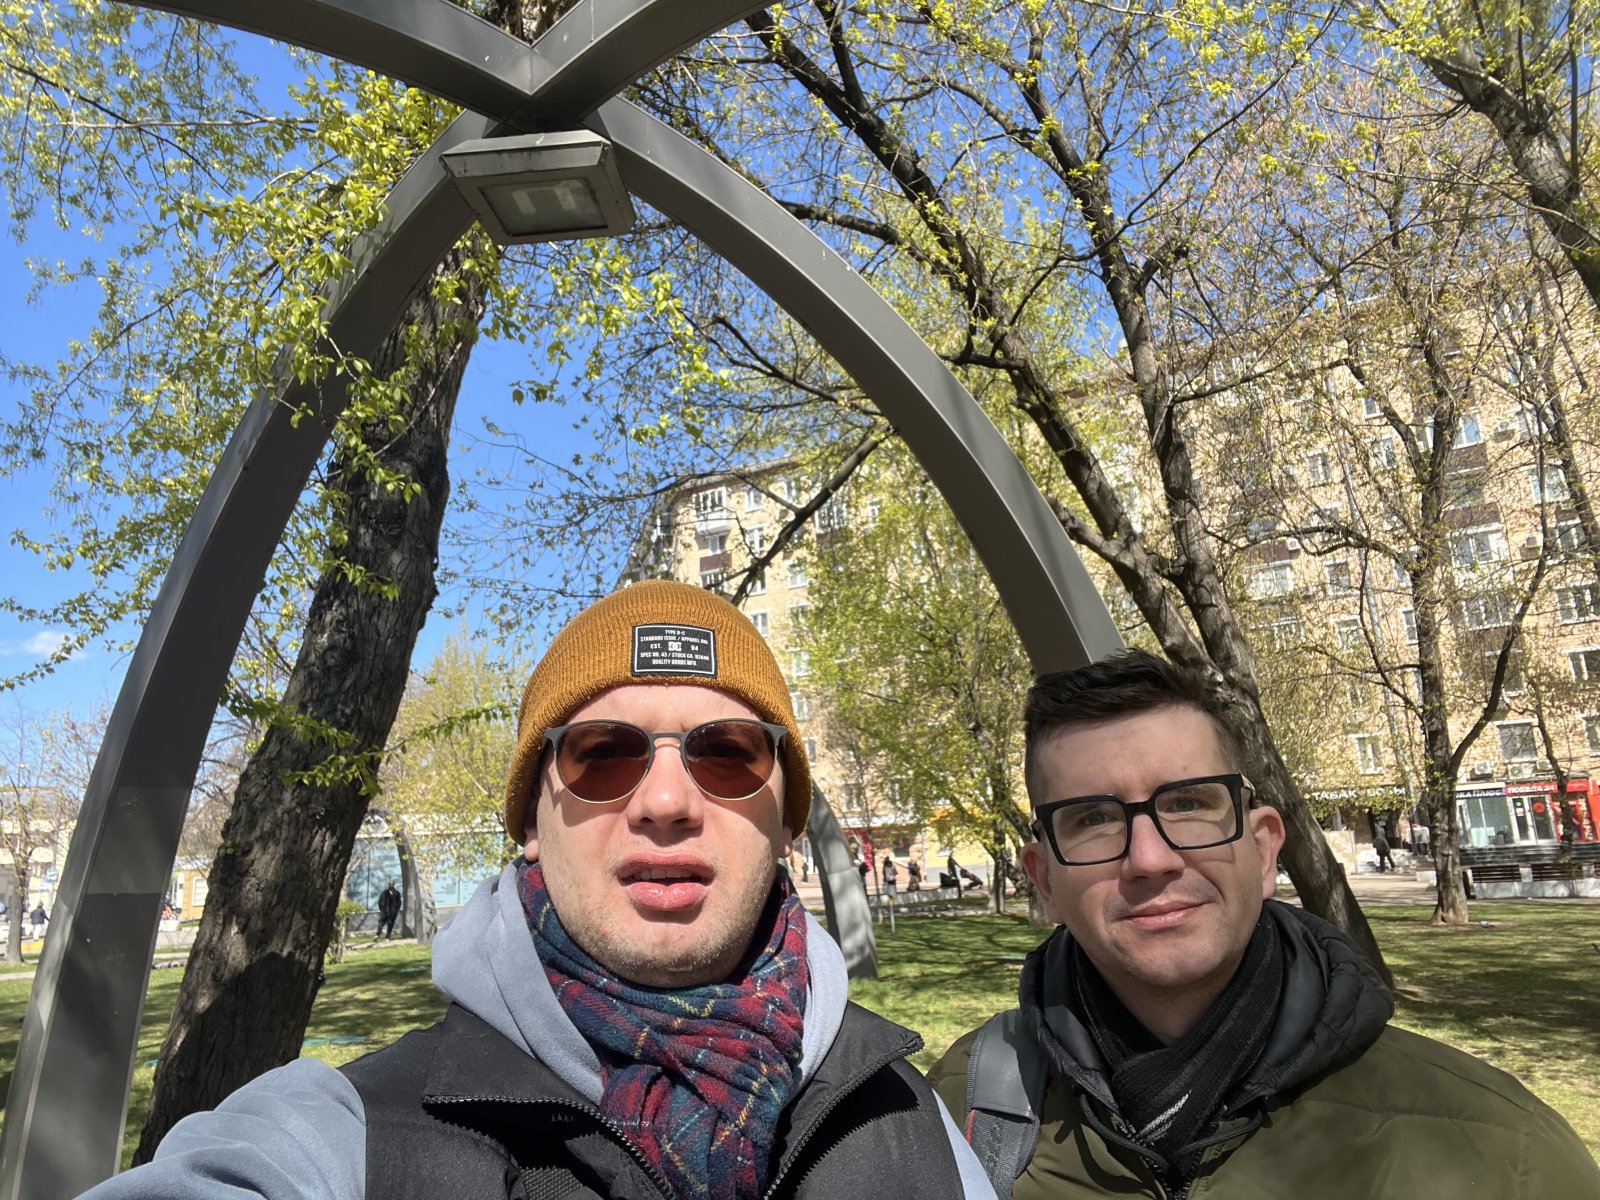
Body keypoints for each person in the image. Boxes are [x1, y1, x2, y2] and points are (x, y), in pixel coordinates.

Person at [84, 580, 993, 1200]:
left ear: (786, 821)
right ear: (529, 822)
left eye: (727, 753)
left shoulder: (917, 1132)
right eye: (603, 755)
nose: (667, 802)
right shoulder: (344, 1138)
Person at [929, 648, 1600, 1199]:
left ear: (1263, 849)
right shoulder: (949, 1120)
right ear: (1045, 880)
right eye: (1094, 819)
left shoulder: (1504, 1153)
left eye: (1188, 804)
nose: (1150, 859)